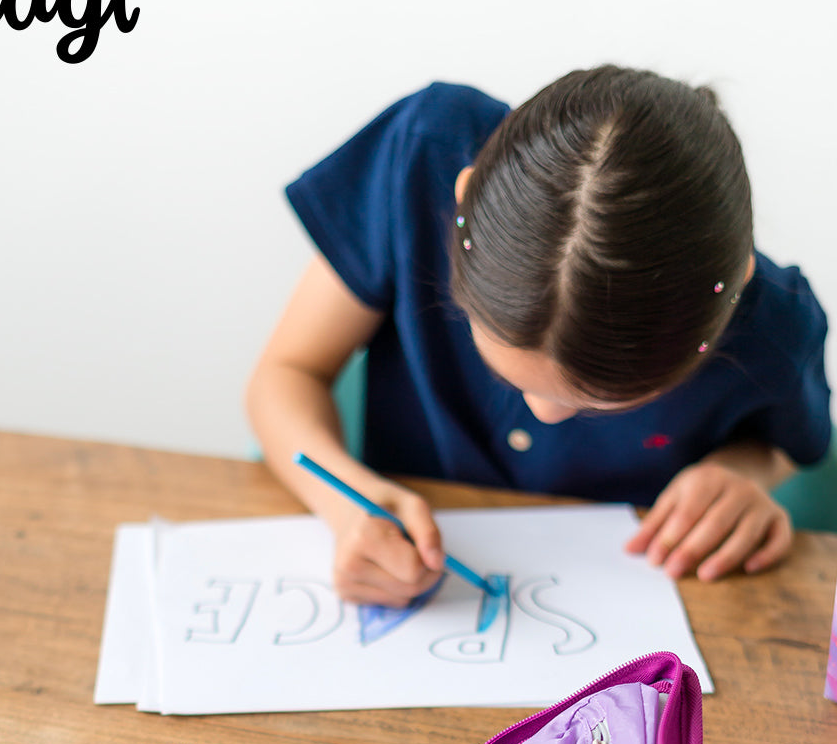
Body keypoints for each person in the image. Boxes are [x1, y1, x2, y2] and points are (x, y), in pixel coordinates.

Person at [245, 68, 830, 606]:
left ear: (730, 303)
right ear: (461, 203)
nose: (544, 413)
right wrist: (347, 503)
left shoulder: (776, 327)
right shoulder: (422, 151)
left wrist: (745, 472)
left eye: (598, 400)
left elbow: (786, 445)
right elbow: (288, 373)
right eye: (503, 368)